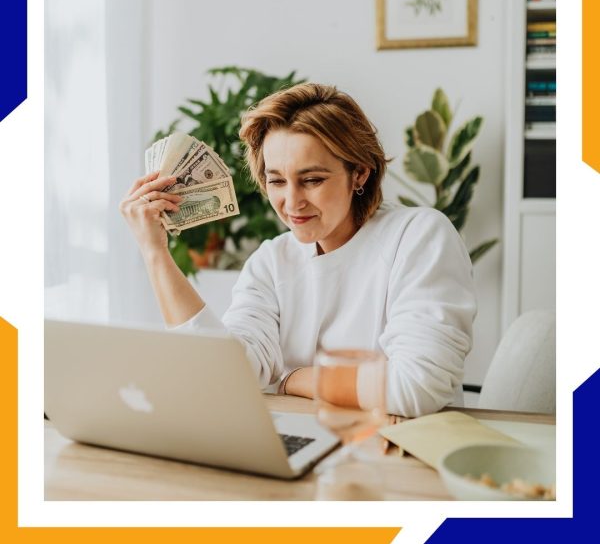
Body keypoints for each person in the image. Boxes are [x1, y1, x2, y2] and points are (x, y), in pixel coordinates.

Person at [119, 83, 477, 418]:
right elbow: (223, 374)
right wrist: (155, 253)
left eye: (312, 180)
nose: (292, 203)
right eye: (276, 180)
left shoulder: (419, 236)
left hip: (398, 453)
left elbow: (415, 388)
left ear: (360, 174)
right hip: (305, 439)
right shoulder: (272, 261)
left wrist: (293, 380)